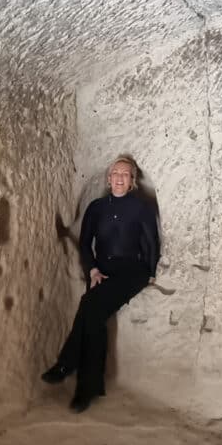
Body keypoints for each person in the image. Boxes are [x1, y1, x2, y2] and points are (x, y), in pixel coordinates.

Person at [41, 155, 160, 413]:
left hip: (132, 270)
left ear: (132, 182)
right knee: (93, 317)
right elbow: (85, 244)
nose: (119, 178)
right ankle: (87, 388)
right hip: (102, 270)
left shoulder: (142, 208)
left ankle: (67, 364)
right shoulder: (96, 208)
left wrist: (150, 272)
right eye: (115, 173)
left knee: (89, 304)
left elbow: (152, 242)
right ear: (108, 179)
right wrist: (93, 270)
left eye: (125, 174)